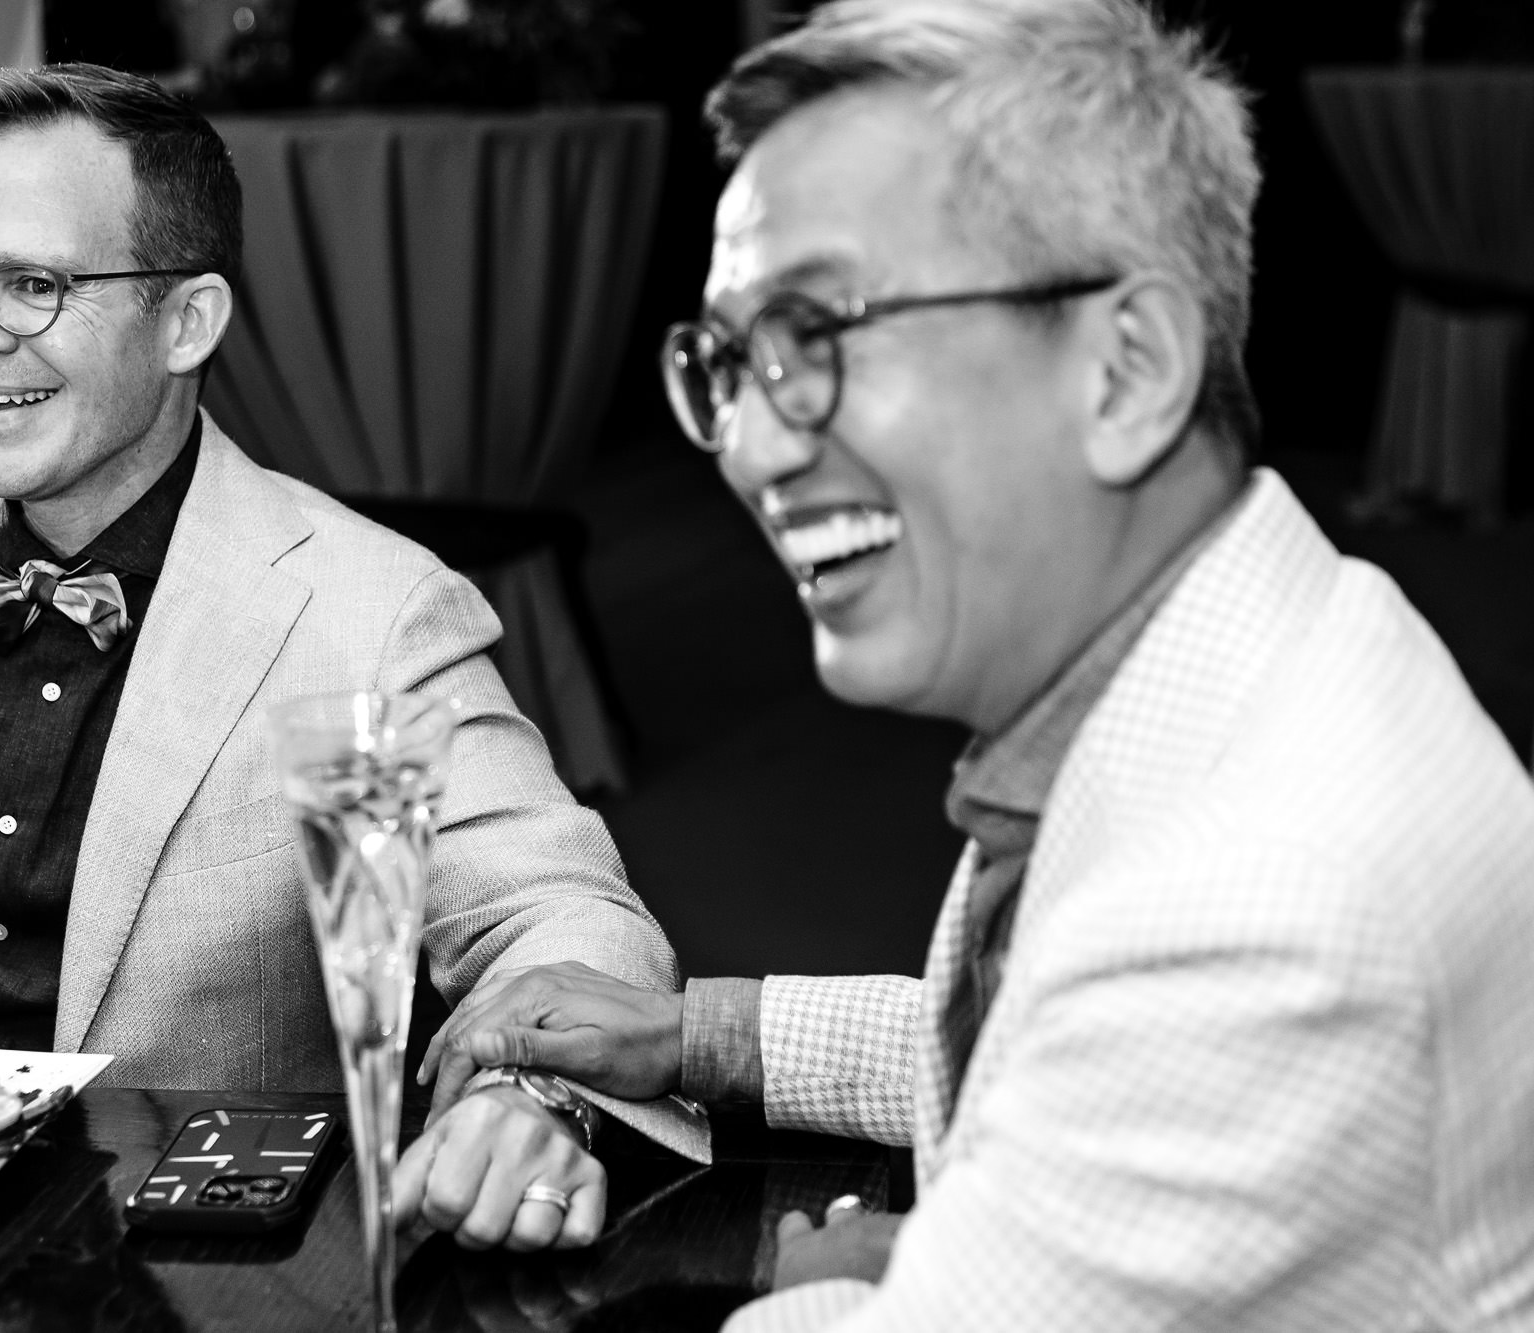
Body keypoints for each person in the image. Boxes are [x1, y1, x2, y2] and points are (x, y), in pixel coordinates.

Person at [420, 0, 1534, 1324]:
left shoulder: (1259, 906)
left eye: (821, 334)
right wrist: (695, 1035)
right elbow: (1061, 1042)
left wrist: (810, 1277)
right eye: (730, 360)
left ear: (1128, 371)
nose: (754, 449)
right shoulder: (1276, 643)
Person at [0, 62, 683, 1253]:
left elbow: (562, 921)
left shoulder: (369, 612)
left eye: (31, 286)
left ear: (188, 322)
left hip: (208, 1273)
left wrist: (526, 1096)